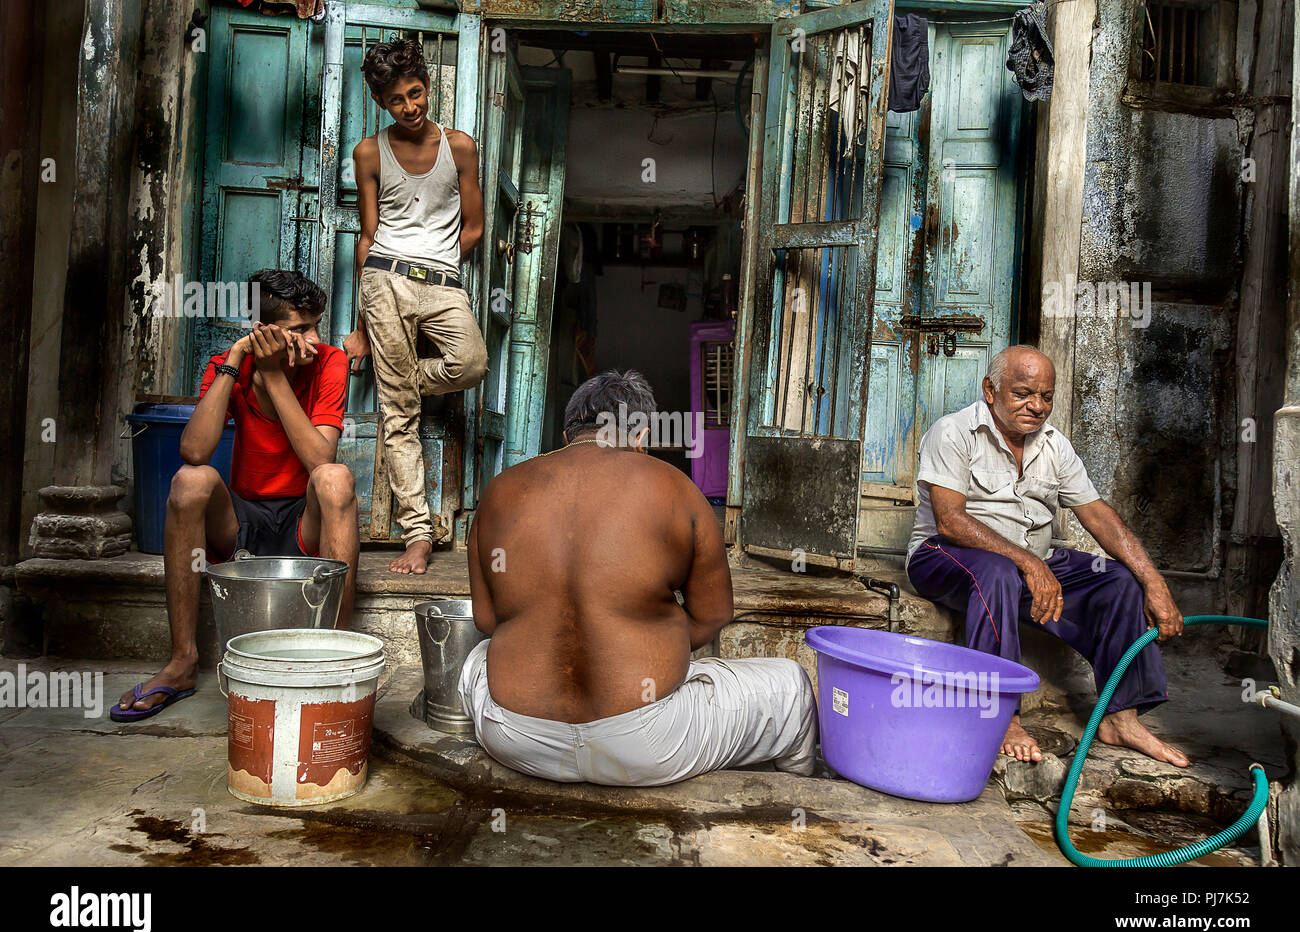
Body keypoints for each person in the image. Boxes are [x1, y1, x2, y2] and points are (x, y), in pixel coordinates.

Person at [458, 370, 818, 786]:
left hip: (515, 737)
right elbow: (713, 615)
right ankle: (795, 803)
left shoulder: (499, 492)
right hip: (649, 742)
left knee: (474, 661)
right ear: (642, 435)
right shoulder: (676, 489)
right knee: (792, 687)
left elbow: (487, 621)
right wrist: (640, 632)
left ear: (565, 435)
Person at [905, 345, 1188, 765]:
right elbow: (950, 521)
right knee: (998, 572)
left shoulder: (1054, 445)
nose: (1037, 406)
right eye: (1023, 393)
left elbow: (1098, 515)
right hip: (945, 555)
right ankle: (1002, 716)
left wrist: (1154, 580)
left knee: (1119, 581)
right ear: (990, 389)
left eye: (1046, 396)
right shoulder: (953, 432)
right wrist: (1030, 562)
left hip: (1027, 562)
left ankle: (1120, 716)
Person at [111, 270, 358, 722]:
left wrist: (274, 377)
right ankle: (183, 661)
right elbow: (193, 450)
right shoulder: (229, 364)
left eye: (316, 324)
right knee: (191, 481)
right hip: (241, 527)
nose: (316, 337)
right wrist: (238, 360)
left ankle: (336, 654)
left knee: (336, 478)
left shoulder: (329, 361)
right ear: (263, 329)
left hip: (304, 524)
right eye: (301, 328)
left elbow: (320, 458)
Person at [343, 37, 488, 575]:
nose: (409, 107)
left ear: (428, 85)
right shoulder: (368, 152)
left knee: (470, 363)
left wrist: (444, 263)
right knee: (398, 418)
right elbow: (367, 236)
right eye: (397, 100)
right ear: (382, 103)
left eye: (416, 93)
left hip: (442, 281)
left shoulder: (461, 147)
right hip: (384, 279)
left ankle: (396, 380)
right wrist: (359, 328)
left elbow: (473, 226)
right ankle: (419, 536)